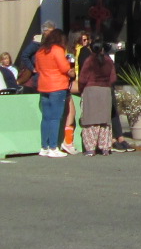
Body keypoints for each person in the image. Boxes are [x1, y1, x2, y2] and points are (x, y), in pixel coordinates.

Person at [33, 28, 71, 157]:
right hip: (57, 85)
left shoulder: (40, 51)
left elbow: (37, 68)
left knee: (46, 118)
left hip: (44, 86)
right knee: (56, 118)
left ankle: (44, 146)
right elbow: (64, 67)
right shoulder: (57, 50)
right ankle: (53, 147)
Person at [76, 40, 117, 155]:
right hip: (105, 91)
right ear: (103, 49)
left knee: (90, 121)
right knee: (104, 121)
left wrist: (81, 89)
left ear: (91, 49)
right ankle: (105, 147)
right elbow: (113, 78)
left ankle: (90, 148)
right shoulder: (109, 61)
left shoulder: (89, 61)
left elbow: (83, 78)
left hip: (91, 91)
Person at [62, 30, 91, 153]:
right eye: (83, 40)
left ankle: (68, 141)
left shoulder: (68, 51)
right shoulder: (80, 51)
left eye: (87, 40)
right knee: (72, 113)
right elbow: (78, 68)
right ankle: (68, 142)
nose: (86, 42)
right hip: (76, 83)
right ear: (78, 39)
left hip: (69, 83)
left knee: (71, 112)